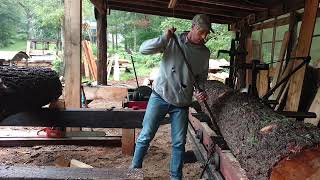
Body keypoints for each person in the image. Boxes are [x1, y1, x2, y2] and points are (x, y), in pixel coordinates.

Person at [131, 14, 213, 180]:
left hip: (181, 104)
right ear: (193, 27)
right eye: (201, 32)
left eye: (207, 33)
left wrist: (200, 91)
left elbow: (201, 78)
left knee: (178, 144)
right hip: (159, 97)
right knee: (145, 136)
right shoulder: (173, 40)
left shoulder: (204, 53)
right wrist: (163, 38)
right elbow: (143, 49)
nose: (204, 36)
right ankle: (134, 172)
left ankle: (176, 177)